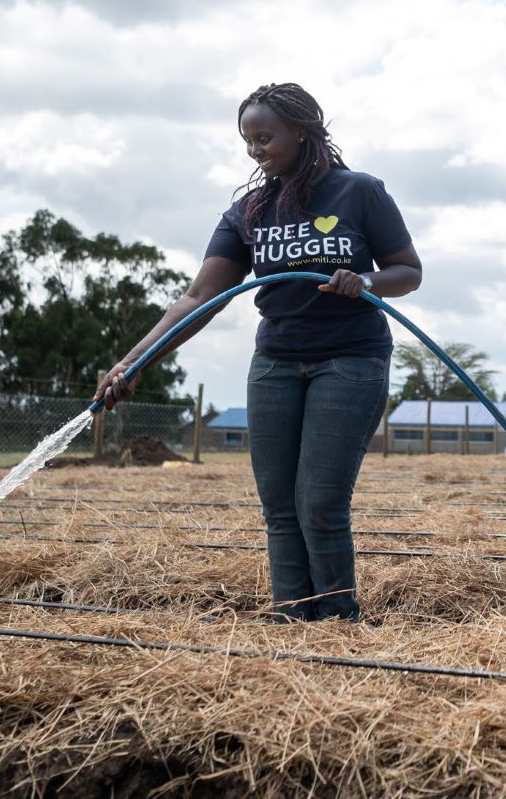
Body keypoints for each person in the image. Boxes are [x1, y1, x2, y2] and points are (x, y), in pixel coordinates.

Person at [95, 83, 422, 623]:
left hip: (350, 361)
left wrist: (364, 279)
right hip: (274, 365)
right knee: (278, 506)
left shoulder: (359, 192)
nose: (255, 150)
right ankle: (290, 615)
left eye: (265, 137)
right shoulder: (249, 210)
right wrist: (135, 360)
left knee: (318, 501)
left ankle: (337, 620)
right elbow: (199, 297)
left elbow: (408, 272)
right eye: (248, 141)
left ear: (302, 131)